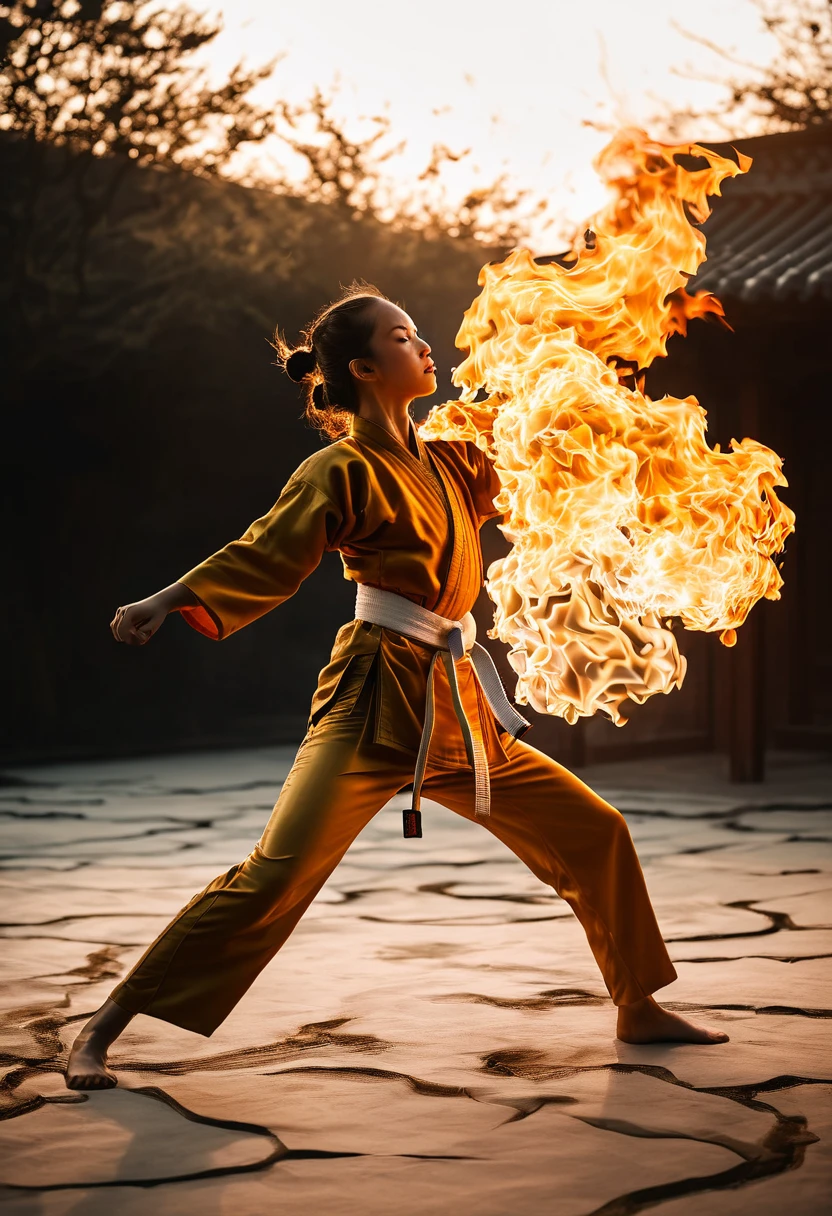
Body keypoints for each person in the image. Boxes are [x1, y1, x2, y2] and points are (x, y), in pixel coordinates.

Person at [65, 284, 728, 1090]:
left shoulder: (448, 457)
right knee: (272, 875)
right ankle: (100, 1031)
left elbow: (537, 466)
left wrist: (607, 435)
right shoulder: (339, 469)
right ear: (365, 368)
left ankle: (639, 1006)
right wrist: (164, 600)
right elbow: (264, 552)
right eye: (406, 337)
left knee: (596, 830)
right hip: (375, 701)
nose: (426, 348)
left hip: (462, 711)